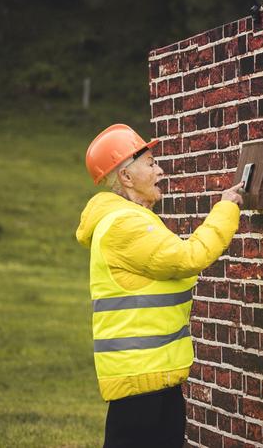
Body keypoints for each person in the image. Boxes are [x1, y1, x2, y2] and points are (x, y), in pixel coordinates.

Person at [75, 124, 244, 448]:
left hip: (156, 375)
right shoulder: (124, 224)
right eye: (151, 163)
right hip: (141, 381)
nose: (160, 170)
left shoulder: (135, 218)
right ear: (126, 177)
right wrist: (226, 208)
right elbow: (187, 258)